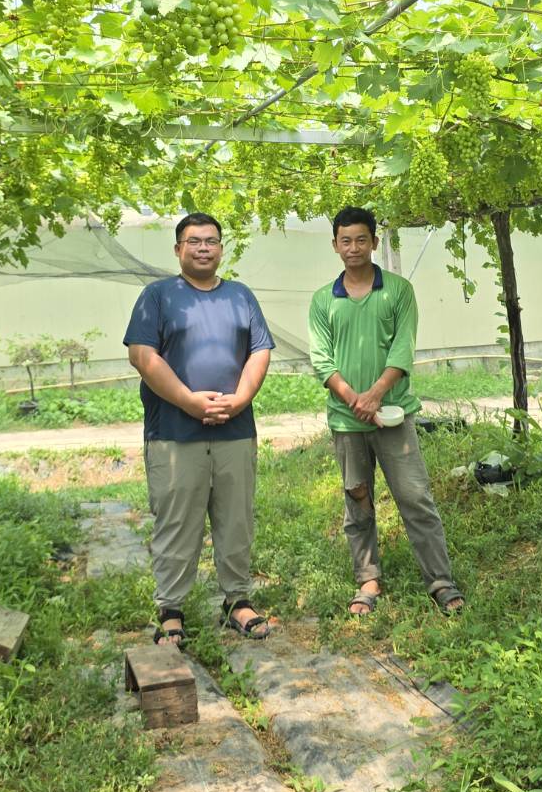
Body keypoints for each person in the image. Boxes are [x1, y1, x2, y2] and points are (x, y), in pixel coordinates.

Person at [124, 213, 275, 647]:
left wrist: (242, 398)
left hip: (235, 429)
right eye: (194, 241)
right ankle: (171, 609)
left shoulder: (240, 296)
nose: (203, 248)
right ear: (178, 250)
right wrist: (190, 402)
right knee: (176, 520)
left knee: (236, 518)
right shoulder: (157, 296)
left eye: (211, 241)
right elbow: (142, 356)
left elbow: (259, 352)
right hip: (174, 432)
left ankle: (237, 600)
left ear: (221, 247)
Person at [307, 206, 465, 617]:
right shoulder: (324, 300)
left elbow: (402, 349)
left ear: (375, 242)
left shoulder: (397, 291)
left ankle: (441, 580)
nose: (354, 247)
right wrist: (354, 400)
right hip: (347, 420)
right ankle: (368, 578)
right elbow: (322, 360)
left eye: (362, 239)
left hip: (393, 415)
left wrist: (376, 394)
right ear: (335, 245)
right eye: (346, 240)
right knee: (356, 498)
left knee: (415, 497)